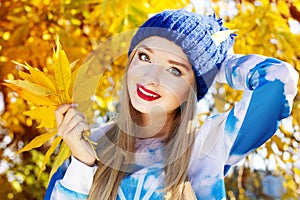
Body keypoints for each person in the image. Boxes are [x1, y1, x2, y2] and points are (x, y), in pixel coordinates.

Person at [45, 9, 298, 200]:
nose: (151, 78)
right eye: (145, 57)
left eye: (174, 71)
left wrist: (216, 65)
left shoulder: (207, 148)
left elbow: (279, 79)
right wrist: (82, 165)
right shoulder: (88, 145)